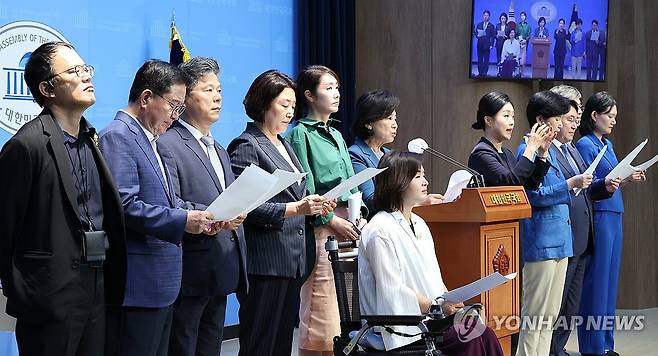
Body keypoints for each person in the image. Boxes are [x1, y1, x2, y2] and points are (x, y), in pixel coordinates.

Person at [0, 41, 126, 356]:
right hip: (49, 301)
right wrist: (28, 295)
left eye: (86, 69)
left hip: (95, 291)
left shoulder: (91, 139)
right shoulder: (26, 145)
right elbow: (4, 231)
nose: (86, 76)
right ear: (47, 88)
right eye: (74, 71)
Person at [100, 60, 217, 356]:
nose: (176, 117)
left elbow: (168, 201)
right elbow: (124, 206)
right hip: (138, 286)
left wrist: (205, 216)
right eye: (174, 106)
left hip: (161, 283)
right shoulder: (118, 135)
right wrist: (182, 221)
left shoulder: (151, 137)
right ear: (147, 98)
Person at [227, 69, 334, 356]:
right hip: (265, 262)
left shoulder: (284, 143)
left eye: (292, 106)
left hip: (292, 259)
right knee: (260, 343)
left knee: (280, 344)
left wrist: (313, 205)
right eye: (283, 105)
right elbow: (244, 207)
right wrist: (297, 208)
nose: (290, 112)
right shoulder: (247, 145)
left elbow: (294, 195)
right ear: (263, 104)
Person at [358, 151, 504, 355]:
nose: (426, 182)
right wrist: (436, 307)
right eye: (418, 177)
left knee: (484, 333)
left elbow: (432, 278)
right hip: (401, 326)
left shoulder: (419, 223)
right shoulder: (379, 229)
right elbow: (392, 290)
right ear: (398, 181)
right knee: (472, 337)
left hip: (430, 320)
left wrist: (448, 303)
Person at [156, 57, 247, 356]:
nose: (218, 96)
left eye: (219, 90)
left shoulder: (218, 147)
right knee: (182, 346)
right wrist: (214, 215)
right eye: (208, 90)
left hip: (221, 268)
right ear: (184, 97)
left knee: (211, 347)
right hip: (190, 270)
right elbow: (171, 203)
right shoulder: (167, 143)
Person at [287, 65, 366, 356]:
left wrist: (360, 214)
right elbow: (305, 188)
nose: (336, 94)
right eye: (328, 88)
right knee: (322, 308)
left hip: (349, 225)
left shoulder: (336, 133)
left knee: (348, 310)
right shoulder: (300, 134)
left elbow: (351, 182)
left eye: (337, 88)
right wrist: (331, 219)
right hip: (323, 228)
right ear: (308, 95)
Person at [514, 91, 592, 356]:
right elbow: (533, 195)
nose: (560, 124)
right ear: (540, 120)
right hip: (542, 240)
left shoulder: (553, 151)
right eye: (557, 118)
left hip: (562, 240)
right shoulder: (527, 150)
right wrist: (570, 185)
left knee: (549, 317)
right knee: (534, 317)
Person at [547, 86, 621, 356]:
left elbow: (589, 187)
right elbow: (547, 190)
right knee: (561, 298)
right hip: (566, 229)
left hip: (589, 222)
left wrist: (609, 185)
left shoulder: (572, 149)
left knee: (578, 296)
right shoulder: (567, 147)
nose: (575, 117)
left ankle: (570, 346)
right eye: (571, 112)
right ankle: (573, 347)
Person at [575, 92, 646, 356]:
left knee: (609, 282)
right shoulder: (586, 144)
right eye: (610, 116)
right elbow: (589, 186)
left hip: (614, 213)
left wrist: (628, 178)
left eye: (616, 116)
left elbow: (611, 181)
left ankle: (606, 344)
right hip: (600, 215)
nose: (614, 121)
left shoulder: (608, 144)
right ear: (594, 115)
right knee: (597, 281)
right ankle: (593, 346)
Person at [468, 91, 552, 188]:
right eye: (506, 116)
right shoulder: (481, 153)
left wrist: (542, 153)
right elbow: (511, 183)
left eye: (513, 117)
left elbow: (528, 185)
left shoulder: (506, 152)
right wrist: (531, 148)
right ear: (488, 120)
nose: (511, 122)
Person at [348, 89, 398, 213]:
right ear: (369, 123)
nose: (395, 125)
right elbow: (370, 200)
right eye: (389, 118)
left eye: (395, 119)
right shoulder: (355, 154)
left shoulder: (390, 154)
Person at [474, 10, 496, 77]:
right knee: (480, 60)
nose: (485, 17)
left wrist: (491, 45)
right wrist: (477, 36)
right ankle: (480, 73)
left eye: (487, 15)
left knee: (486, 60)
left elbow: (493, 36)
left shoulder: (491, 26)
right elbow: (476, 33)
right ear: (483, 16)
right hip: (480, 45)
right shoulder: (479, 24)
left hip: (487, 46)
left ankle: (484, 74)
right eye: (484, 15)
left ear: (489, 16)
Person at [517, 11, 532, 77]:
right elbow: (516, 34)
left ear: (525, 17)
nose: (522, 17)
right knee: (518, 58)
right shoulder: (518, 25)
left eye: (523, 15)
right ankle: (518, 72)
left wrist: (525, 40)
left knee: (523, 59)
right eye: (521, 15)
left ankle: (522, 73)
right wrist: (518, 39)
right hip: (518, 43)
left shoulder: (528, 26)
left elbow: (529, 35)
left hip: (525, 44)